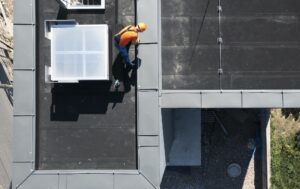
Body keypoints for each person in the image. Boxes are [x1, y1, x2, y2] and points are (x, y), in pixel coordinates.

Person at [113, 23, 147, 88]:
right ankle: (129, 64)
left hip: (117, 38)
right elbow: (134, 43)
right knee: (126, 56)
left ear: (137, 25)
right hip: (120, 45)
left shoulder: (130, 26)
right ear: (141, 31)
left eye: (138, 27)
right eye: (139, 28)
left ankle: (125, 61)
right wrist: (138, 41)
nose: (138, 28)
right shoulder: (135, 35)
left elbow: (122, 31)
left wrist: (117, 35)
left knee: (126, 45)